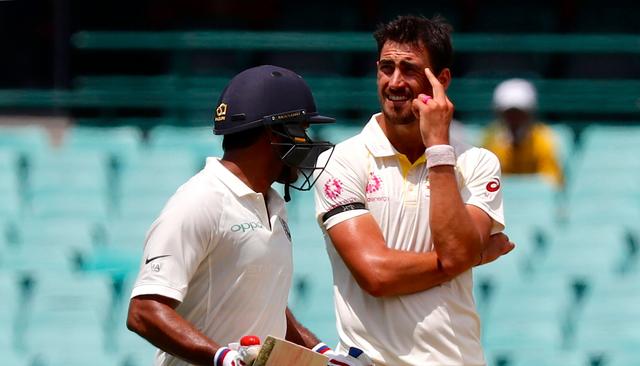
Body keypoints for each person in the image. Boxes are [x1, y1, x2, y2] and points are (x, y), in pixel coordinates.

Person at [126, 65, 373, 366]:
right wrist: (222, 358)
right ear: (273, 131)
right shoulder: (200, 201)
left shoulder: (272, 204)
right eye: (302, 129)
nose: (307, 143)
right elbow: (144, 311)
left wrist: (322, 355)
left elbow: (266, 304)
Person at [313, 15, 515, 365]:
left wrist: (438, 148)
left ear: (443, 80)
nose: (394, 82)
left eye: (409, 68)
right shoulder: (339, 160)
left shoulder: (478, 162)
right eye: (386, 67)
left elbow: (455, 250)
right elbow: (376, 274)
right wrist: (469, 257)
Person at [481, 78, 564, 186]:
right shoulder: (489, 139)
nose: (514, 120)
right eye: (509, 114)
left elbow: (552, 182)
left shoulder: (544, 139)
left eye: (520, 114)